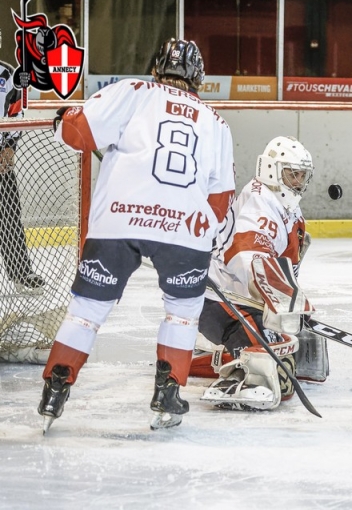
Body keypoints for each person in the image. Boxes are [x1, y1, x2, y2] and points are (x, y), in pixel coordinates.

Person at [38, 38, 236, 432]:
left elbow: (78, 133)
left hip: (118, 221)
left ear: (155, 68)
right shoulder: (217, 123)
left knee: (87, 312)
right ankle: (168, 392)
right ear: (199, 77)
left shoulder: (132, 91)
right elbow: (220, 197)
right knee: (182, 315)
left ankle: (55, 387)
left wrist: (63, 119)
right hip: (183, 229)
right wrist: (200, 235)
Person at [192, 135, 329, 412]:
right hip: (220, 300)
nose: (299, 182)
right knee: (276, 361)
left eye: (302, 176)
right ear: (271, 170)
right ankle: (228, 367)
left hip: (243, 299)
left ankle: (212, 353)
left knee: (299, 342)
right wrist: (282, 301)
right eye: (293, 174)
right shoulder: (259, 203)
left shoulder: (284, 203)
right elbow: (248, 258)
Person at [1, 58, 45, 293]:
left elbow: (16, 110)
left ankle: (21, 272)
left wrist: (10, 146)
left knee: (9, 214)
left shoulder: (6, 74)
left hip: (0, 158)